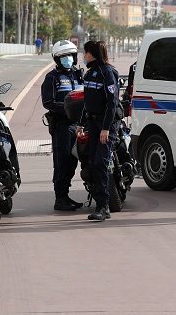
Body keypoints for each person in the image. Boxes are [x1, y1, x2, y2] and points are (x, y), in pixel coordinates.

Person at [76, 41, 122, 221]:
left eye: (85, 53)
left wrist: (106, 129)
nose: (83, 56)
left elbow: (112, 104)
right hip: (93, 123)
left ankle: (104, 207)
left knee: (101, 163)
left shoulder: (107, 73)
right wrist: (80, 124)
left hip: (106, 124)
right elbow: (86, 103)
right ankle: (99, 202)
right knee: (93, 162)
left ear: (90, 54)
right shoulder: (89, 74)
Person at [41, 40, 85, 211]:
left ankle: (67, 195)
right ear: (57, 59)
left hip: (81, 125)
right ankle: (60, 198)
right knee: (62, 162)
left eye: (70, 56)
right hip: (63, 126)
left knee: (75, 161)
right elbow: (48, 102)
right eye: (63, 56)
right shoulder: (52, 78)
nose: (67, 59)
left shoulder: (79, 74)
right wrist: (67, 111)